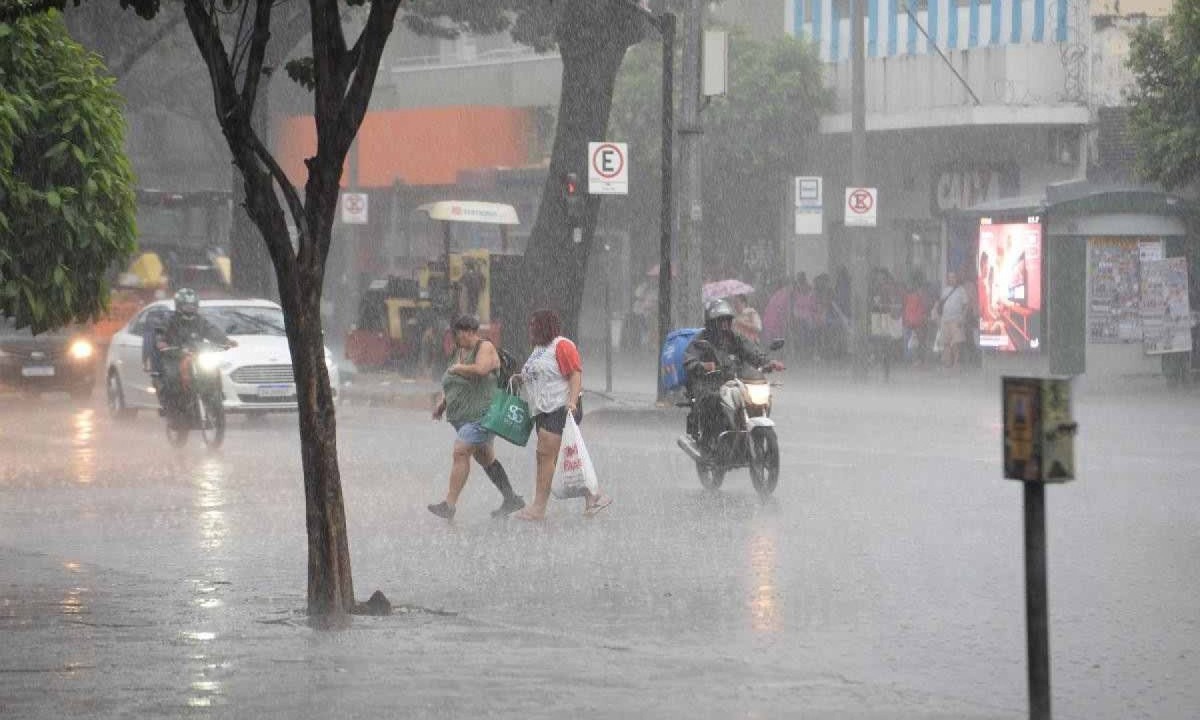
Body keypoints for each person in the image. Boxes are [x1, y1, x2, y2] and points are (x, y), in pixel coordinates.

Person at [513, 309, 611, 521]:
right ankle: (593, 494)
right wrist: (522, 378)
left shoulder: (562, 345)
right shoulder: (539, 349)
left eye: (533, 325)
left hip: (560, 408)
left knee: (545, 457)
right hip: (542, 410)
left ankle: (538, 507)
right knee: (555, 459)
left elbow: (575, 374)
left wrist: (572, 402)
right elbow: (541, 374)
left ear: (544, 326)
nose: (530, 330)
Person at [426, 315, 525, 521]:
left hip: (482, 415)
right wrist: (442, 405)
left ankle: (449, 505)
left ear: (469, 332)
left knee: (460, 452)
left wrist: (460, 368)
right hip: (462, 416)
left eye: (458, 334)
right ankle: (511, 498)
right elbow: (453, 381)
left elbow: (480, 370)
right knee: (485, 458)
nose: (456, 338)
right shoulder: (459, 351)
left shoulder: (485, 347)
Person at [682, 299, 784, 455]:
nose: (724, 325)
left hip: (734, 383)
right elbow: (689, 359)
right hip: (710, 384)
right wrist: (702, 366)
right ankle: (709, 443)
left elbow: (753, 352)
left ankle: (744, 433)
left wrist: (768, 362)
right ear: (712, 323)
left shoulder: (736, 338)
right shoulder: (701, 340)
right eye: (720, 321)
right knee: (714, 401)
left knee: (756, 399)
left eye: (727, 321)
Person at [155, 288, 237, 415]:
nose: (190, 309)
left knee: (212, 372)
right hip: (175, 356)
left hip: (197, 355)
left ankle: (215, 398)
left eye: (193, 306)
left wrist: (226, 341)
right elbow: (161, 331)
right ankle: (170, 406)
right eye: (187, 306)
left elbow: (211, 330)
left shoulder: (200, 321)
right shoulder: (170, 320)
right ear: (179, 306)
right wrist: (162, 342)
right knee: (171, 377)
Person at [935, 272, 969, 369]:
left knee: (956, 343)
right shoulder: (945, 290)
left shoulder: (961, 290)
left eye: (953, 277)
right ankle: (947, 363)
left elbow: (966, 305)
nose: (951, 279)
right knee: (946, 343)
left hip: (956, 319)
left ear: (956, 278)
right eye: (950, 277)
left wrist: (963, 317)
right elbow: (940, 303)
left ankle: (956, 363)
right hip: (945, 320)